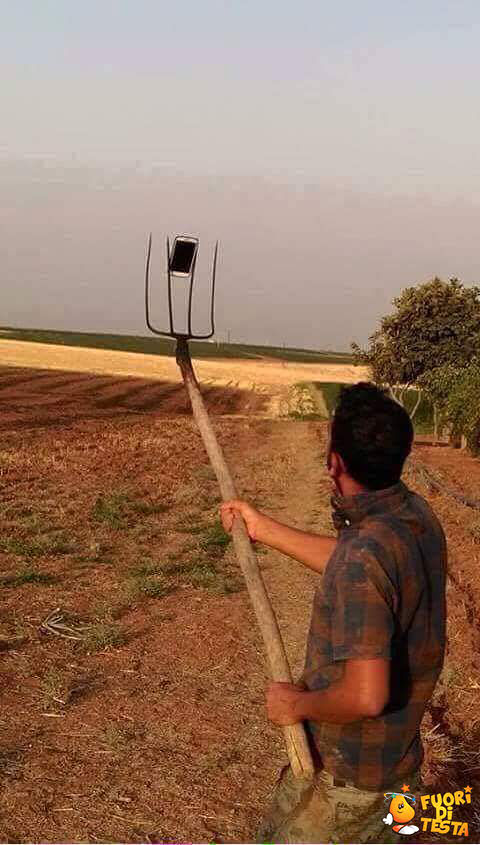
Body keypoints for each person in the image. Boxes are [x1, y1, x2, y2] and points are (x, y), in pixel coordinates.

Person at [220, 382, 447, 844]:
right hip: (400, 776)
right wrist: (263, 528)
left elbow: (366, 697)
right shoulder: (414, 516)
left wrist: (295, 705)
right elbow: (358, 565)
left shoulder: (365, 554)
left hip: (351, 793)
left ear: (335, 462)